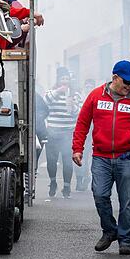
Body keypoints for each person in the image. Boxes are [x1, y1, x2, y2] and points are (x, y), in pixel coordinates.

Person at [72, 60, 130, 255]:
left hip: (127, 157)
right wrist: (77, 148)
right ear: (114, 78)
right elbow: (82, 123)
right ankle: (110, 230)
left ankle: (126, 240)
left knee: (128, 200)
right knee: (100, 195)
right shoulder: (96, 96)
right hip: (101, 157)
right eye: (126, 82)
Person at [43, 67, 82, 198]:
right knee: (51, 161)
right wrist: (59, 91)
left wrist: (73, 106)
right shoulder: (52, 92)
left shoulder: (75, 94)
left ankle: (66, 187)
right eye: (62, 79)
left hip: (68, 133)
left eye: (67, 79)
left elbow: (80, 113)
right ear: (59, 80)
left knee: (67, 160)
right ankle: (53, 182)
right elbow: (45, 102)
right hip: (53, 132)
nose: (65, 81)